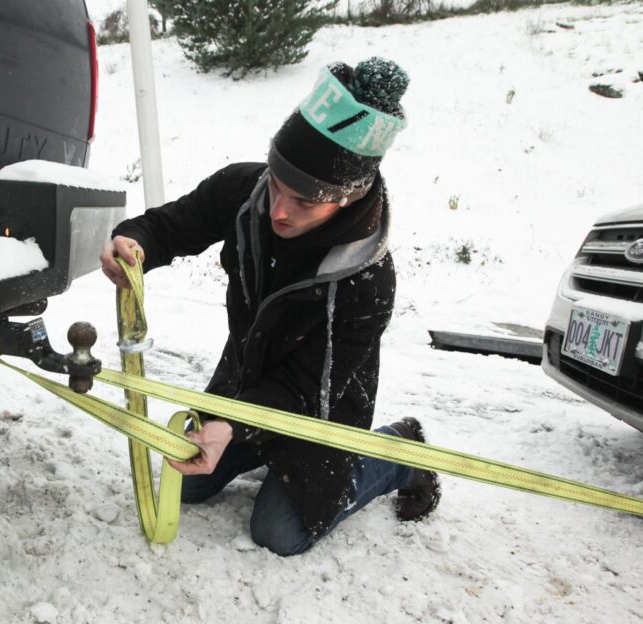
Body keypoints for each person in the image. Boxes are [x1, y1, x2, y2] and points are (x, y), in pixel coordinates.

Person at [98, 58, 440, 556]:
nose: (278, 208)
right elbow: (174, 224)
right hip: (243, 380)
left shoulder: (367, 280)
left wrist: (231, 426)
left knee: (279, 533)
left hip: (317, 412)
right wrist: (135, 242)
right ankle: (253, 449)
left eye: (304, 201)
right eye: (278, 182)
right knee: (187, 480)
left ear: (347, 197)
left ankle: (400, 453)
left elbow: (306, 388)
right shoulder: (245, 189)